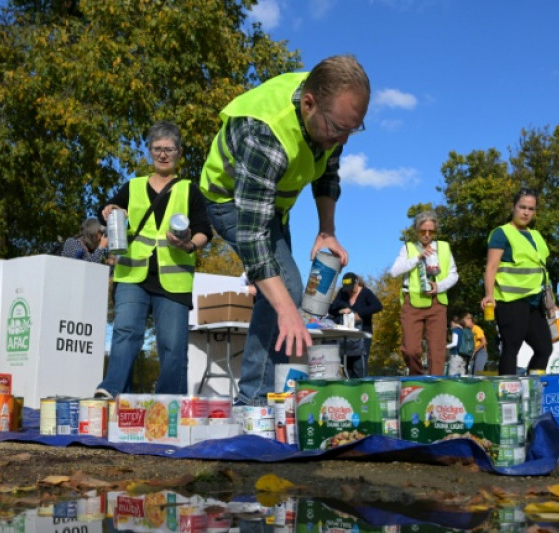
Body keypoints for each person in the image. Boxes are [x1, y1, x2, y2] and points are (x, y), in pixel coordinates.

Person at [199, 55, 370, 405]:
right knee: (287, 290)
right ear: (309, 104)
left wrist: (326, 230)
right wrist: (287, 306)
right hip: (229, 202)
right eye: (340, 129)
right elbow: (252, 237)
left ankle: (274, 396)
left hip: (272, 207)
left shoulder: (328, 111)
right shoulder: (266, 135)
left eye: (353, 130)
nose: (344, 140)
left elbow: (327, 173)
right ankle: (253, 403)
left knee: (281, 298)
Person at [94, 121, 212, 398]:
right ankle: (112, 392)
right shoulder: (132, 186)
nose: (162, 154)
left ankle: (170, 405)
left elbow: (205, 231)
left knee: (172, 345)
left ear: (178, 152)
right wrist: (109, 209)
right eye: (157, 149)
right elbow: (107, 211)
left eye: (168, 149)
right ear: (149, 151)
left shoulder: (188, 190)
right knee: (126, 332)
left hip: (173, 279)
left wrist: (189, 244)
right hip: (132, 274)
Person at [481, 188, 559, 376]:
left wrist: (551, 303)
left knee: (544, 348)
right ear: (513, 207)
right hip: (510, 300)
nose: (526, 212)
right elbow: (491, 267)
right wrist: (489, 295)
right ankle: (506, 393)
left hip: (534, 302)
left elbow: (542, 272)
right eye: (522, 207)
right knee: (511, 346)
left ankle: (532, 388)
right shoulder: (502, 233)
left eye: (531, 209)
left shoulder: (537, 236)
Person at [389, 211, 459, 376]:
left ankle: (436, 387)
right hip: (412, 302)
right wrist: (417, 258)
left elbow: (454, 274)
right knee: (410, 350)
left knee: (437, 351)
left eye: (431, 232)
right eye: (423, 231)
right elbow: (394, 272)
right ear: (416, 231)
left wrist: (439, 286)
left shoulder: (443, 247)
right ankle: (417, 378)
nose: (427, 235)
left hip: (437, 302)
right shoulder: (408, 248)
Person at [328, 272, 384, 378]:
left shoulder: (366, 293)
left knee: (359, 365)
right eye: (346, 288)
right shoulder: (342, 293)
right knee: (347, 366)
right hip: (346, 335)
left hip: (362, 335)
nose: (349, 291)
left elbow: (378, 306)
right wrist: (342, 309)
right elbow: (332, 309)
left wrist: (357, 313)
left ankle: (361, 389)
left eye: (351, 288)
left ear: (357, 283)